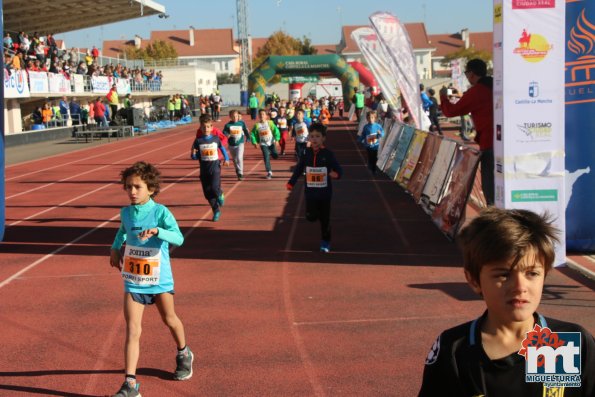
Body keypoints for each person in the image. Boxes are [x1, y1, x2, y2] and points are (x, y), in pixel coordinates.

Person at [418, 207, 595, 396]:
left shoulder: (570, 342)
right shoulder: (454, 349)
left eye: (532, 273)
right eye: (503, 274)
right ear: (474, 280)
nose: (520, 286)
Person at [109, 162, 193, 397]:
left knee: (170, 319)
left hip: (159, 278)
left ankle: (184, 352)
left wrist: (158, 231)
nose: (132, 192)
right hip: (134, 279)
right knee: (132, 329)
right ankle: (130, 384)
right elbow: (123, 230)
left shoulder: (161, 212)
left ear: (151, 188)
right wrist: (115, 248)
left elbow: (179, 238)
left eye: (137, 187)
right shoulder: (126, 212)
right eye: (128, 187)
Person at [440, 59, 494, 205]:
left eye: (466, 73)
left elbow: (451, 111)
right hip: (504, 141)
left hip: (489, 143)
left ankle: (494, 221)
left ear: (471, 74)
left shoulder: (477, 91)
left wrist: (443, 96)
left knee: (490, 188)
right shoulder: (495, 85)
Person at [287, 123, 343, 253]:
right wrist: (291, 182)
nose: (314, 139)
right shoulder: (306, 153)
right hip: (310, 193)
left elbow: (339, 169)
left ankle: (325, 242)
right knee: (311, 217)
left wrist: (336, 174)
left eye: (317, 136)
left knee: (325, 219)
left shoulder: (328, 154)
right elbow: (299, 169)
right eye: (312, 136)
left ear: (323, 138)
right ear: (309, 138)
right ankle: (314, 214)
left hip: (325, 194)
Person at [191, 114, 230, 221]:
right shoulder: (198, 141)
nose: (206, 129)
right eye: (203, 127)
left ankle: (220, 194)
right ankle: (216, 210)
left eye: (208, 127)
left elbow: (222, 149)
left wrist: (226, 159)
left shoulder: (216, 139)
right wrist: (194, 154)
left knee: (214, 187)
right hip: (204, 170)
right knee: (207, 193)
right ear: (200, 127)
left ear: (212, 127)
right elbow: (194, 156)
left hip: (215, 168)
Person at [251, 109, 280, 180]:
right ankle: (269, 171)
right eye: (260, 114)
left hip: (271, 142)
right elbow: (253, 134)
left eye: (263, 114)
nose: (262, 116)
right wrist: (254, 142)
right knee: (266, 156)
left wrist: (277, 139)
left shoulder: (270, 123)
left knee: (275, 155)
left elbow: (276, 131)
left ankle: (273, 153)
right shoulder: (257, 125)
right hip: (263, 144)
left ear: (266, 116)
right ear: (258, 116)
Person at [222, 109, 250, 180]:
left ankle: (240, 173)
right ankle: (237, 170)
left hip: (240, 143)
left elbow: (245, 130)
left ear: (238, 116)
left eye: (236, 116)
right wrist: (227, 135)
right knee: (234, 160)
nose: (235, 118)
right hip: (231, 144)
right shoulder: (228, 125)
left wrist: (248, 137)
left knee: (239, 158)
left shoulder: (241, 123)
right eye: (233, 116)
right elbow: (224, 132)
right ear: (230, 117)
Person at [358, 110, 384, 175]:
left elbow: (382, 133)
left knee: (374, 157)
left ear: (375, 118)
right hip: (368, 145)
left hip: (375, 145)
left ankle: (374, 170)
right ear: (367, 119)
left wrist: (380, 133)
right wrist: (360, 139)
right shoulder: (366, 127)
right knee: (370, 157)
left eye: (372, 118)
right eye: (369, 118)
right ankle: (370, 164)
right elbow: (363, 134)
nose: (370, 119)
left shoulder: (378, 126)